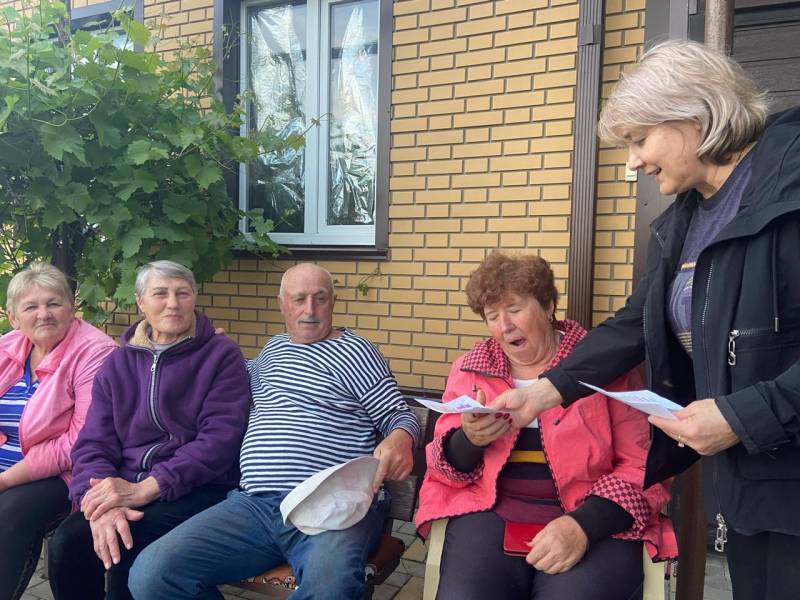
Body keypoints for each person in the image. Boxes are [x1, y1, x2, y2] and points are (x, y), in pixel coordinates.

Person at [491, 39, 800, 600]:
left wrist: (741, 416)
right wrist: (543, 392)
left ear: (694, 117)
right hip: (753, 483)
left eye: (639, 139)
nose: (633, 161)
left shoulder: (790, 186)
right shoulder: (688, 217)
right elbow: (635, 324)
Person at [128, 262, 420, 600]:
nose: (309, 310)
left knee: (329, 588)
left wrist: (401, 437)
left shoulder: (356, 352)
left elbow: (399, 414)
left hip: (332, 505)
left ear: (333, 302)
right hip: (254, 506)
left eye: (320, 298)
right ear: (282, 305)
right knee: (153, 574)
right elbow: (232, 374)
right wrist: (214, 351)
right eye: (299, 299)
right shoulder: (273, 350)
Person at [415, 253, 676, 600]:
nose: (504, 326)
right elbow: (443, 466)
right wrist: (469, 440)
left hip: (590, 514)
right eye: (492, 316)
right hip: (488, 511)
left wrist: (585, 525)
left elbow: (642, 465)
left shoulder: (602, 365)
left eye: (514, 309)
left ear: (548, 306)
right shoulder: (470, 368)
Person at [47, 260, 250, 600]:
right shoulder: (117, 363)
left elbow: (218, 442)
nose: (173, 303)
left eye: (182, 293)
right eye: (160, 294)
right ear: (140, 302)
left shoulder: (221, 355)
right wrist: (98, 502)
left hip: (197, 488)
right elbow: (93, 442)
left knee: (128, 549)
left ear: (194, 297)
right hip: (124, 486)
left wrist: (144, 490)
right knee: (67, 543)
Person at [0, 263, 116, 600]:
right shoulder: (8, 347)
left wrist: (4, 481)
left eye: (54, 303)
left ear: (71, 307)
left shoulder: (95, 352)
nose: (44, 314)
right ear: (13, 316)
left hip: (66, 474)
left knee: (10, 513)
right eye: (31, 307)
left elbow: (80, 440)